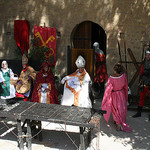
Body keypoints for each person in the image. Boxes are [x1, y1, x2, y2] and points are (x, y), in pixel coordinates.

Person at [101, 63, 132, 132]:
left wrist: (106, 98)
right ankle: (120, 121)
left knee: (115, 110)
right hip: (121, 94)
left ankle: (118, 124)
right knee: (121, 109)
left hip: (114, 95)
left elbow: (108, 89)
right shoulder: (124, 76)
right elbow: (125, 86)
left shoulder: (111, 78)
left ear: (115, 71)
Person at [132, 48, 150, 118]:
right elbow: (141, 72)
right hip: (143, 82)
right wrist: (142, 75)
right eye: (147, 55)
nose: (148, 56)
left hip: (149, 83)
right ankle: (139, 112)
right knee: (141, 98)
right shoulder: (144, 63)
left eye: (149, 55)